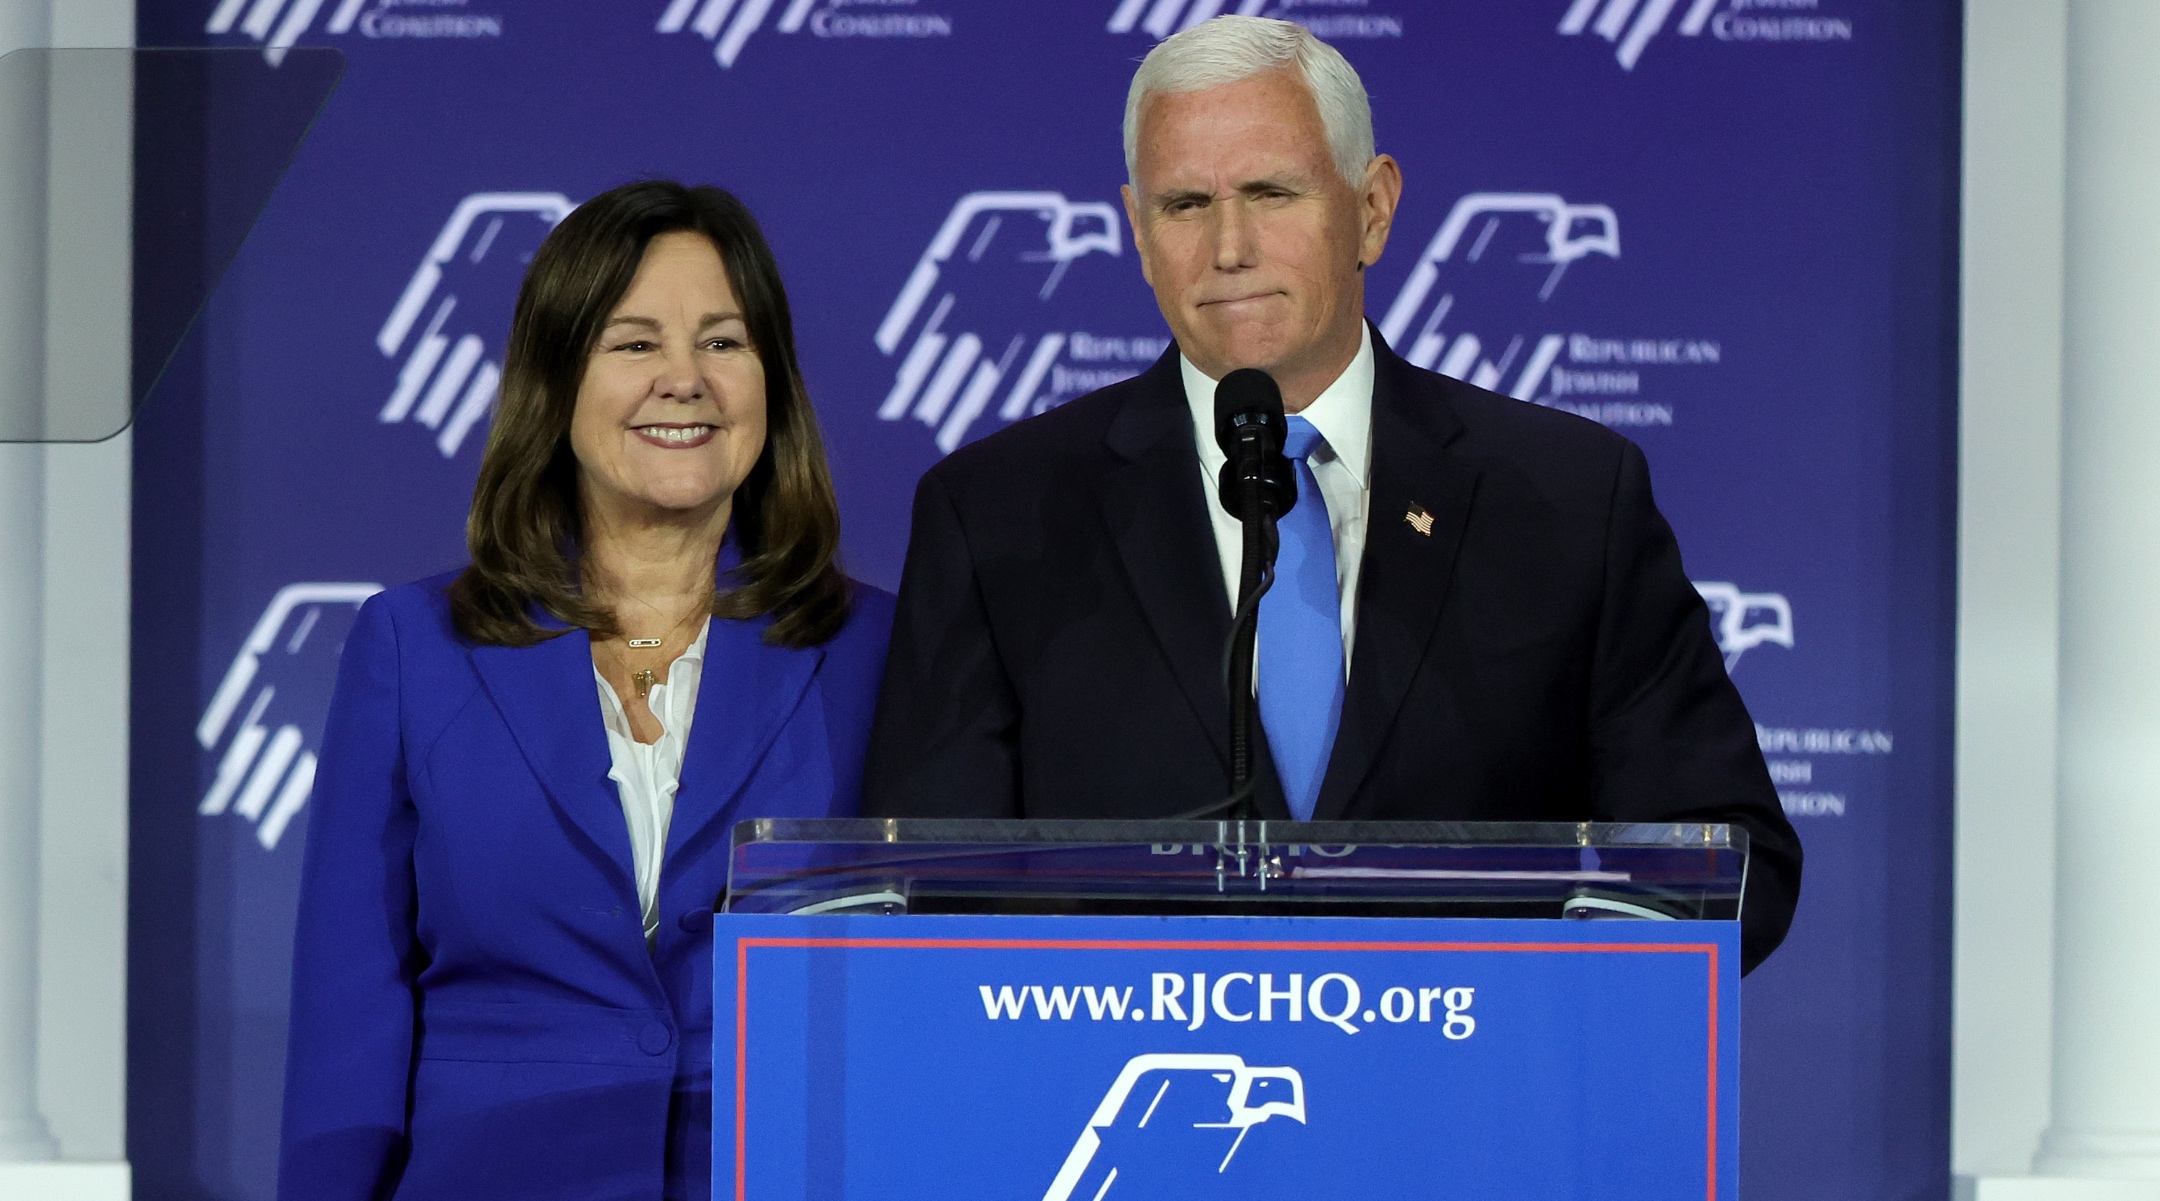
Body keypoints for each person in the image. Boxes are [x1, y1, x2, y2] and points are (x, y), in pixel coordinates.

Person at [862, 16, 1800, 971]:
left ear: (1374, 208)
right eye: (1185, 204)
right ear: (1138, 233)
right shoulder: (999, 516)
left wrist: (1567, 1000)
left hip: (1476, 1098)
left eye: (1271, 192)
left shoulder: (1566, 500)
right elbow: (928, 888)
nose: (1229, 246)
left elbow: (1723, 850)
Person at [277, 180, 891, 1201]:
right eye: (635, 342)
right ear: (556, 382)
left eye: (724, 343)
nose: (684, 380)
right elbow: (350, 1014)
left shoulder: (876, 645)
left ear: (773, 382)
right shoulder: (413, 646)